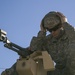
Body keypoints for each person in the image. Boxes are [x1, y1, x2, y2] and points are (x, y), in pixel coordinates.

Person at [1, 11, 75, 75]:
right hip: (58, 72)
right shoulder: (49, 40)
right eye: (49, 30)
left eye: (55, 29)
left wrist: (65, 23)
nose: (52, 32)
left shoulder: (70, 34)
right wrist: (42, 32)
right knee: (27, 59)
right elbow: (34, 49)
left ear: (61, 25)